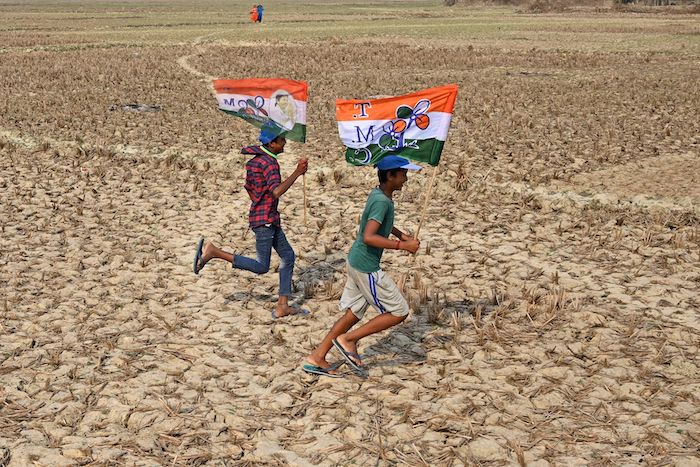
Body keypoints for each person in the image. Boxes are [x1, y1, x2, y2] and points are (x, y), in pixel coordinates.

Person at [303, 155, 421, 377]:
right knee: (399, 311)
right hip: (366, 266)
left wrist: (400, 234)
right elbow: (368, 236)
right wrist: (402, 246)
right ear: (390, 175)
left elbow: (376, 222)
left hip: (356, 261)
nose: (406, 178)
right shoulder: (382, 201)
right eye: (403, 174)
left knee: (353, 315)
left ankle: (317, 357)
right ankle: (349, 339)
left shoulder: (379, 194)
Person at [193, 123, 309, 319]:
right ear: (272, 143)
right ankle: (214, 252)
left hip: (267, 218)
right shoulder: (270, 164)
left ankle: (283, 305)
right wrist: (297, 172)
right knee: (262, 266)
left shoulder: (254, 162)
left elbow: (249, 188)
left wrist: (260, 202)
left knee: (288, 256)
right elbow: (277, 191)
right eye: (282, 140)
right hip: (265, 221)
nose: (285, 143)